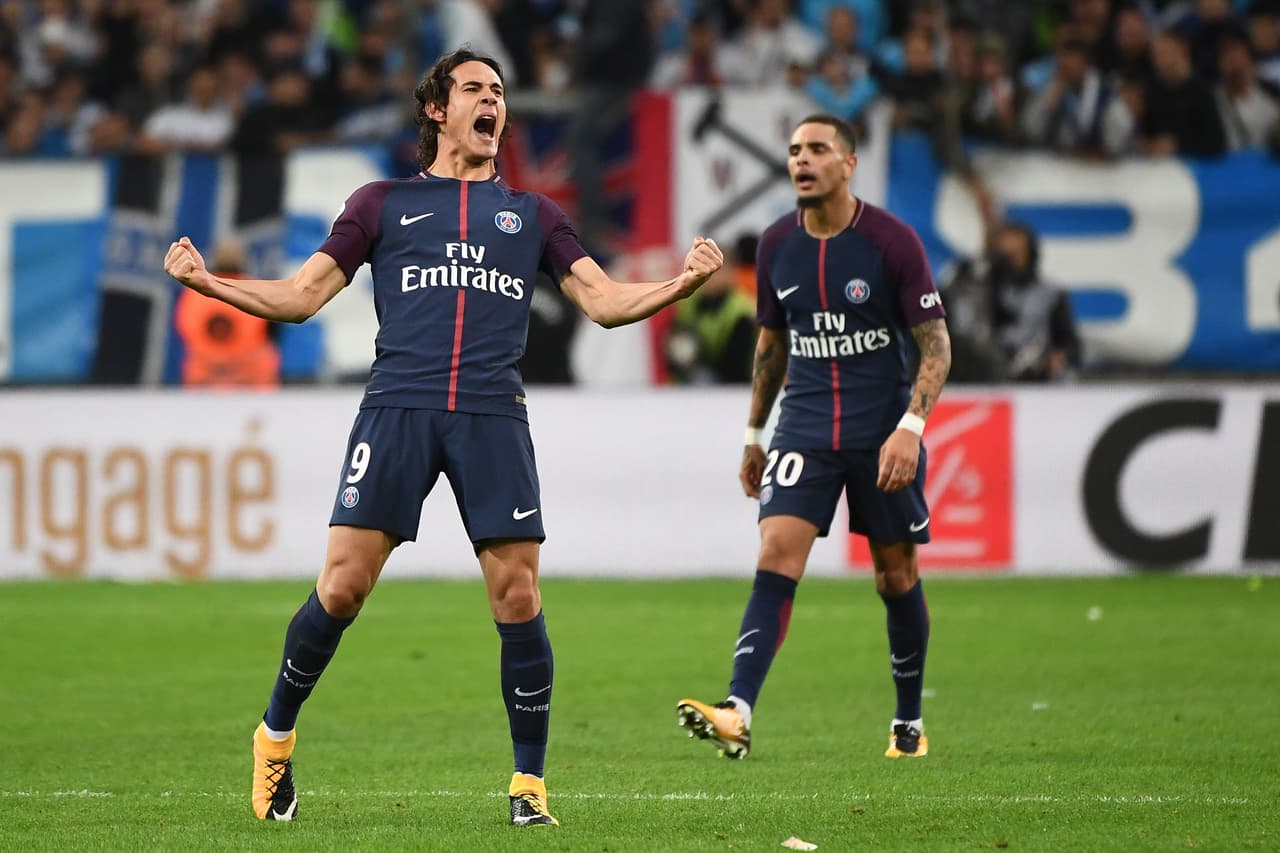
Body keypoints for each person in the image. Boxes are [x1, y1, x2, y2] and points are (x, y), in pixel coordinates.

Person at [163, 48, 723, 828]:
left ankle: (529, 788)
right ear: (437, 108)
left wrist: (680, 283)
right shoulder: (381, 203)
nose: (492, 102)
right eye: (475, 89)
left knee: (518, 593)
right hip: (400, 405)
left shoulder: (533, 216)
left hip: (493, 412)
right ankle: (275, 736)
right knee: (343, 587)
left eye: (499, 91)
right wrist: (207, 282)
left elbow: (602, 301)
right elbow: (300, 296)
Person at [676, 114, 951, 761]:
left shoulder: (891, 241)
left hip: (882, 425)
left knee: (895, 573)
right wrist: (753, 432)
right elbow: (771, 345)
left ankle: (907, 722)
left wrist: (911, 427)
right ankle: (737, 710)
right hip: (803, 423)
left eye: (817, 149)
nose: (802, 159)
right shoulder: (776, 243)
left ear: (848, 163)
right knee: (775, 553)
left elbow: (935, 344)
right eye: (795, 149)